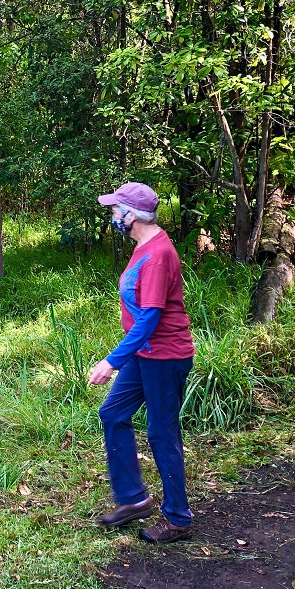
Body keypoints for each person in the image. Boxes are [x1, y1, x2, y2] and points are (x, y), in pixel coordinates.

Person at [89, 182, 195, 543]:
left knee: (161, 433)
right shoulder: (143, 247)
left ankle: (178, 518)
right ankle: (134, 499)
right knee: (113, 413)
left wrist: (111, 361)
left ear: (130, 215)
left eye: (115, 210)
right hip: (144, 352)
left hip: (165, 356)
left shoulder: (158, 255)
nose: (113, 216)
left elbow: (149, 319)